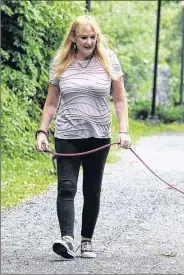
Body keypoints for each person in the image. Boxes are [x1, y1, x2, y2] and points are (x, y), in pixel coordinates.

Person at [35, 15, 131, 259]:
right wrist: (42, 131)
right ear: (73, 38)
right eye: (84, 37)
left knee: (92, 189)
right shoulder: (61, 62)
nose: (89, 42)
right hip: (67, 134)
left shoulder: (108, 60)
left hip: (98, 135)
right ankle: (67, 239)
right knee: (66, 187)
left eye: (93, 37)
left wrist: (123, 130)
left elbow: (120, 99)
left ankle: (86, 240)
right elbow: (51, 102)